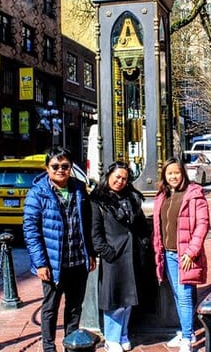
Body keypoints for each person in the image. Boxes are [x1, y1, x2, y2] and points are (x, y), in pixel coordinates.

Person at [23, 147, 96, 352]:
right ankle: (49, 347)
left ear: (70, 168)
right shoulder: (38, 193)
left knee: (74, 307)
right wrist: (40, 263)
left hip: (77, 260)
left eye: (65, 166)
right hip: (53, 263)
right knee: (50, 308)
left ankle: (71, 345)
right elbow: (31, 230)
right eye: (55, 166)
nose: (60, 170)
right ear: (47, 168)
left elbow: (87, 223)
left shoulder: (79, 189)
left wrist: (90, 253)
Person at [90, 161, 151, 352]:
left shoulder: (131, 197)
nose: (120, 181)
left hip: (132, 255)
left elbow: (141, 224)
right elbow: (95, 233)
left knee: (128, 299)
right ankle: (112, 338)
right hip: (114, 257)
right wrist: (107, 252)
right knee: (114, 300)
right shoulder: (98, 201)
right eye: (117, 177)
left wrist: (143, 243)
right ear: (109, 175)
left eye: (124, 178)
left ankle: (123, 333)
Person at [153, 157, 210, 352]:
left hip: (185, 254)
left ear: (183, 173)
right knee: (179, 295)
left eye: (176, 172)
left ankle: (187, 338)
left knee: (184, 295)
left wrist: (192, 251)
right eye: (169, 173)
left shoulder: (193, 194)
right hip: (168, 254)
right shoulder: (163, 196)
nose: (173, 176)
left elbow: (202, 224)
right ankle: (187, 331)